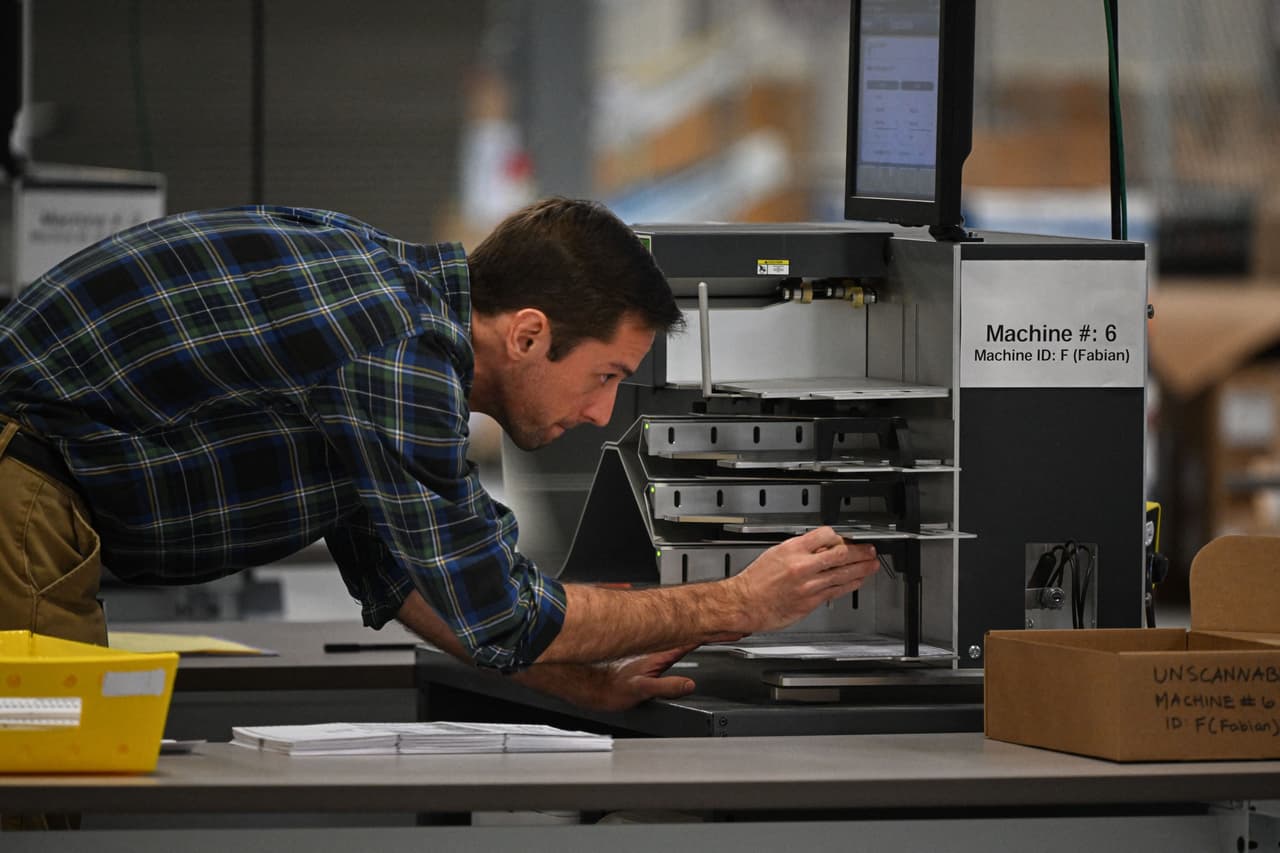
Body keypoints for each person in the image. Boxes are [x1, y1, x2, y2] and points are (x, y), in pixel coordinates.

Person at [0, 198, 879, 712]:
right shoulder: (397, 347)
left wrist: (579, 680)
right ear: (530, 333)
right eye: (605, 375)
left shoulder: (389, 307)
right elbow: (498, 608)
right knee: (38, 791)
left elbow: (402, 575)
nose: (605, 412)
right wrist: (733, 603)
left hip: (33, 485)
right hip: (18, 492)